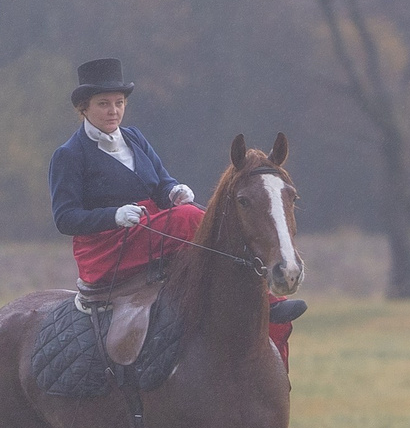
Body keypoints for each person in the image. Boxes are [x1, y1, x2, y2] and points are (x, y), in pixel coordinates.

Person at [50, 57, 302, 352]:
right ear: (84, 108)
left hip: (148, 228)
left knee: (202, 215)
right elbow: (65, 218)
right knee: (191, 219)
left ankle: (263, 297)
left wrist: (173, 191)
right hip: (107, 244)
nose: (113, 111)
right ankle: (270, 301)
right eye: (103, 104)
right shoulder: (69, 154)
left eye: (119, 103)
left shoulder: (134, 137)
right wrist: (114, 216)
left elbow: (160, 182)